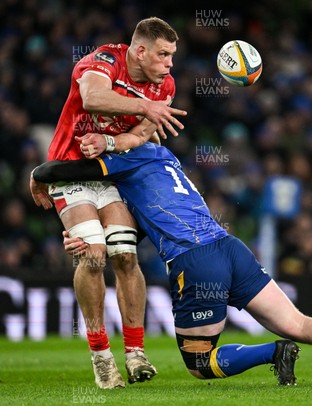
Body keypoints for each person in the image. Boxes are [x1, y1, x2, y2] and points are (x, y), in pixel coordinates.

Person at [30, 139, 312, 385]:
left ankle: (272, 353)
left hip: (195, 262)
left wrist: (44, 182)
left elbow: (54, 171)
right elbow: (149, 224)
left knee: (200, 362)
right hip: (230, 247)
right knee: (299, 321)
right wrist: (92, 239)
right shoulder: (166, 158)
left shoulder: (125, 159)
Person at [42, 16, 187, 388]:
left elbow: (142, 134)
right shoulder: (105, 60)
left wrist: (110, 143)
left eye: (172, 55)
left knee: (124, 254)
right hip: (69, 172)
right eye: (163, 54)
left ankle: (136, 353)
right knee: (93, 253)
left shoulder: (164, 85)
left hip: (109, 175)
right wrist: (145, 108)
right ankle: (101, 356)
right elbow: (92, 97)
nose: (170, 64)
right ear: (140, 51)